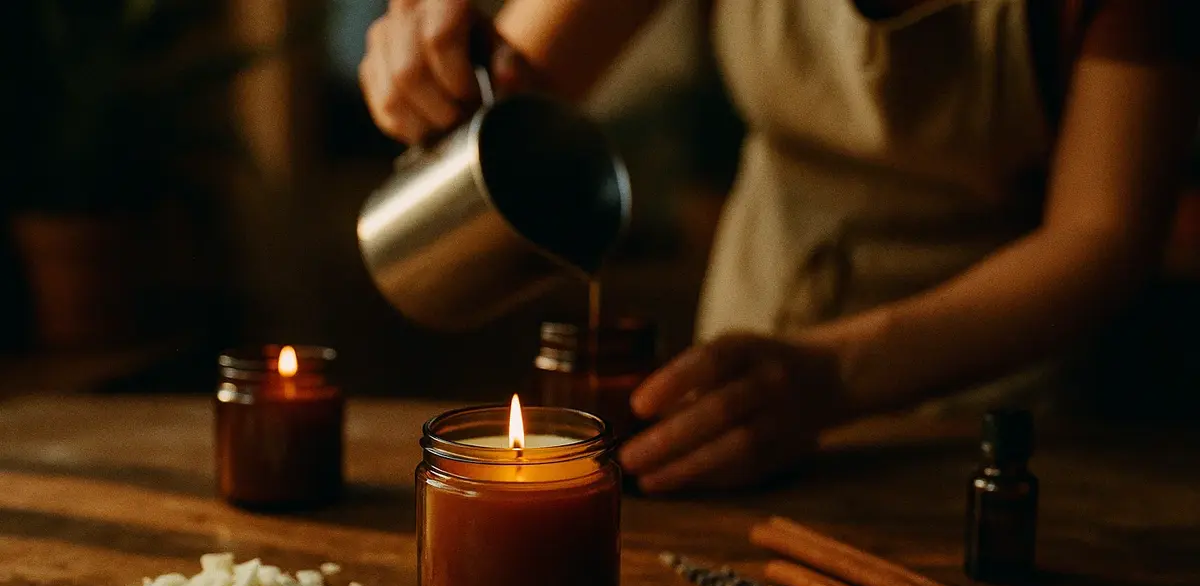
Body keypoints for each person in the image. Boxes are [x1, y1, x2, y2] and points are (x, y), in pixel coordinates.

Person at [360, 0, 1199, 493]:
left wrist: (832, 375)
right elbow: (514, 87)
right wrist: (430, 66)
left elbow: (1103, 233)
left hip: (983, 416)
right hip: (742, 386)